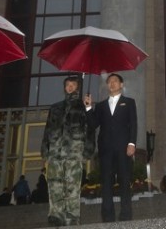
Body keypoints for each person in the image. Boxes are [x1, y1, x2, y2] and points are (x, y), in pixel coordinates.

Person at [42, 75, 94, 226]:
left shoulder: (83, 107)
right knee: (54, 183)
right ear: (64, 88)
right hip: (55, 152)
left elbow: (90, 129)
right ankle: (55, 214)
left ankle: (72, 215)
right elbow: (48, 130)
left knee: (72, 184)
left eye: (73, 85)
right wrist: (45, 149)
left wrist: (88, 150)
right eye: (68, 85)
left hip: (74, 151)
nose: (70, 87)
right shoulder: (55, 107)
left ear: (77, 87)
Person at [85, 73, 137, 222]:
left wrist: (132, 143)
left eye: (115, 81)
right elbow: (93, 124)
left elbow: (133, 123)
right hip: (106, 150)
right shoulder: (100, 105)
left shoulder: (129, 102)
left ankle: (126, 215)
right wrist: (88, 107)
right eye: (109, 82)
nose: (112, 83)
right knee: (106, 183)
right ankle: (107, 217)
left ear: (121, 85)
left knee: (124, 181)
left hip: (123, 148)